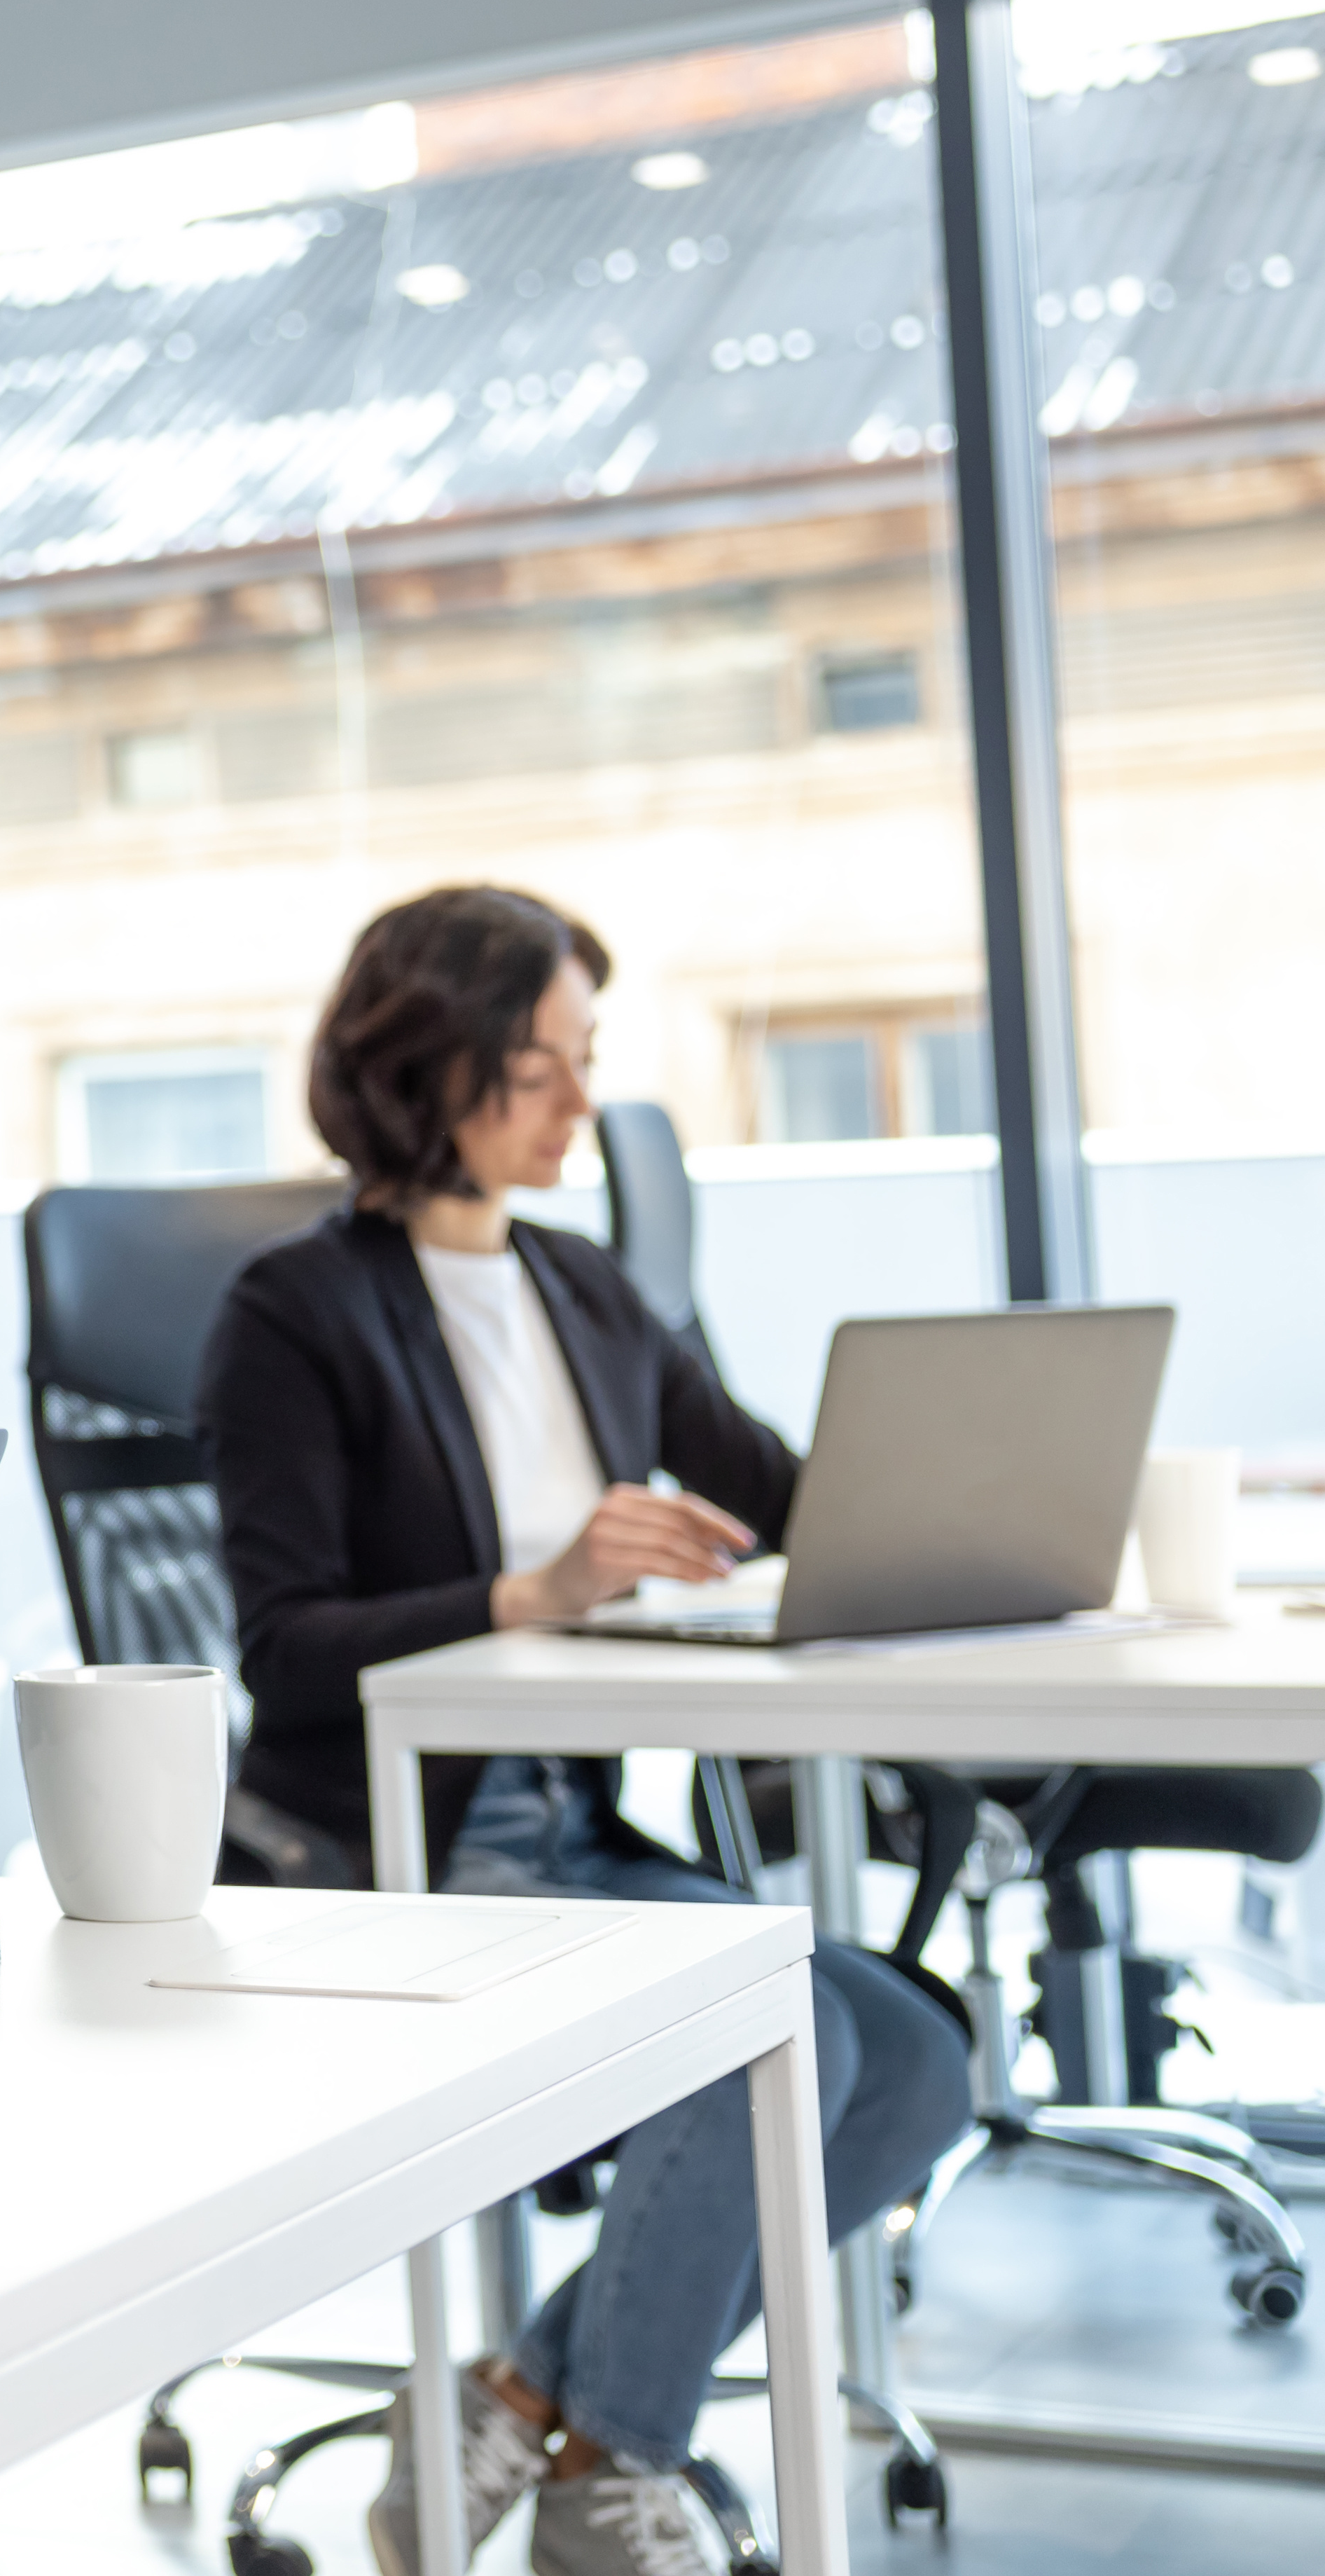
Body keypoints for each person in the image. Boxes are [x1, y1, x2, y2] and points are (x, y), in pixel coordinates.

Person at [200, 886, 967, 2576]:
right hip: (398, 1851)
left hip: (575, 1831)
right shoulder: (295, 1313)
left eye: (582, 1066)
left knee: (914, 2059)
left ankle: (524, 2398)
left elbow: (787, 1495)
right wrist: (532, 1589)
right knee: (778, 2041)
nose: (575, 1106)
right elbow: (286, 1645)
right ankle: (616, 2474)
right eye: (540, 1068)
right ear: (431, 1069)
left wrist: (984, 1511)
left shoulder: (594, 1291)